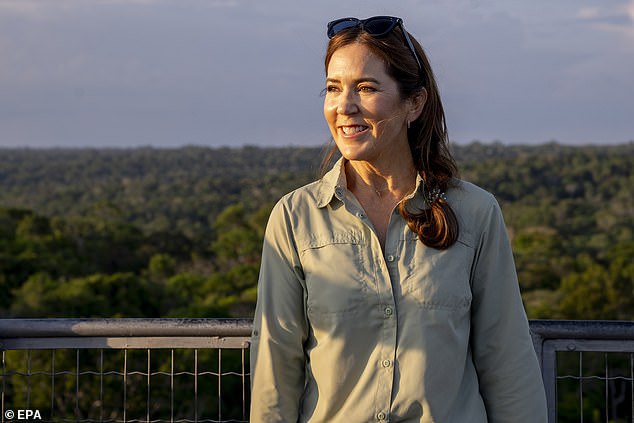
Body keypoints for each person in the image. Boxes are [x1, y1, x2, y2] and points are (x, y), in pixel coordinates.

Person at [250, 15, 547, 423]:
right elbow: (275, 368)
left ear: (415, 103)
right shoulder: (295, 218)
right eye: (333, 88)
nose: (344, 106)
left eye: (367, 88)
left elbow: (506, 359)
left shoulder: (475, 213)